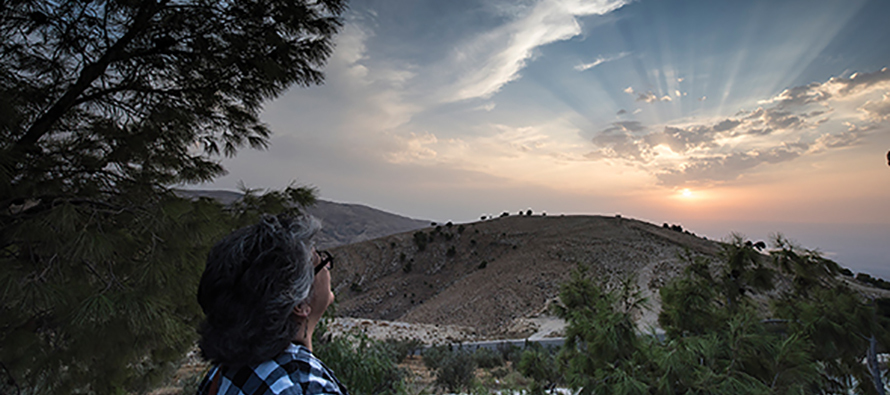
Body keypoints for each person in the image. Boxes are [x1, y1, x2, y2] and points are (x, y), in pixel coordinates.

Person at [194, 214, 348, 395]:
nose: (327, 266)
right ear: (300, 304)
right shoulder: (304, 386)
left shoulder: (222, 373)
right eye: (319, 260)